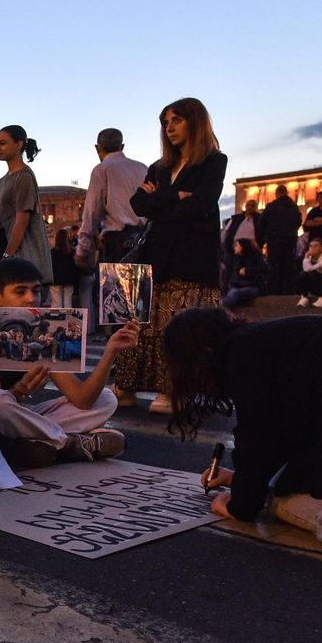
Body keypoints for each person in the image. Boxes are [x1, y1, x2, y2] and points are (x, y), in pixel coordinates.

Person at [164, 308, 322, 550]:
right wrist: (240, 479)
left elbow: (257, 437)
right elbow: (280, 433)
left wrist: (239, 504)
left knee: (282, 501)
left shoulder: (246, 355)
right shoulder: (262, 340)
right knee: (287, 480)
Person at [0, 258, 137, 468]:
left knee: (106, 398)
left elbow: (82, 399)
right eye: (20, 292)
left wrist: (110, 352)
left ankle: (39, 443)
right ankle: (70, 444)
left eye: (36, 291)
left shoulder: (45, 328)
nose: (31, 299)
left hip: (19, 420)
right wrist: (20, 390)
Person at [114, 98, 226, 415]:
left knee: (179, 323)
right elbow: (138, 204)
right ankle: (128, 385)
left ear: (195, 121)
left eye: (176, 120)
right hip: (157, 254)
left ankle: (173, 389)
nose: (169, 128)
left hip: (192, 257)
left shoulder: (213, 161)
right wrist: (176, 195)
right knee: (143, 321)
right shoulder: (159, 167)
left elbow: (203, 202)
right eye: (166, 122)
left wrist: (160, 203)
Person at [0, 125, 52, 288]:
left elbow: (21, 222)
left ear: (18, 144)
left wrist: (7, 256)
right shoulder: (0, 182)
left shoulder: (24, 177)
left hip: (14, 251)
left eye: (2, 143)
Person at [78, 128, 148, 265]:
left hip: (117, 245)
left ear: (97, 148)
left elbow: (91, 213)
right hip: (145, 241)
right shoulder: (143, 168)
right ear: (122, 146)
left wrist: (82, 249)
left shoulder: (101, 170)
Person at [258, 184, 302, 295]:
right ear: (287, 193)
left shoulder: (271, 206)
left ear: (276, 194)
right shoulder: (293, 206)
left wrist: (266, 235)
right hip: (290, 238)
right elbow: (298, 221)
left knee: (274, 265)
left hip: (274, 239)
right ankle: (289, 290)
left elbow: (262, 222)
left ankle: (275, 290)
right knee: (289, 264)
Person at [221, 199, 262, 293]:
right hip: (235, 247)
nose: (250, 207)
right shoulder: (236, 218)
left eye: (252, 205)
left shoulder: (258, 220)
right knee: (230, 268)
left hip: (251, 249)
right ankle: (226, 290)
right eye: (248, 205)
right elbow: (226, 231)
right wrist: (225, 244)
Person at [222, 239, 268, 309]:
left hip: (252, 287)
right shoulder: (237, 258)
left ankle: (222, 310)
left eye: (237, 246)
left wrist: (248, 271)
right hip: (237, 286)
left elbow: (264, 269)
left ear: (242, 247)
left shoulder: (255, 257)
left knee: (235, 292)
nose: (234, 248)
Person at [48, 228, 80, 308]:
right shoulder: (71, 251)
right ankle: (68, 315)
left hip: (56, 279)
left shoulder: (53, 252)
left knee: (56, 302)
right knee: (68, 301)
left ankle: (56, 316)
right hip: (69, 279)